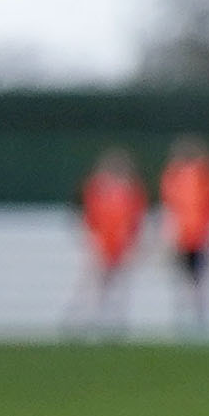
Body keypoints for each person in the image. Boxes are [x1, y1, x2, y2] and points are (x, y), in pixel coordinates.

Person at [73, 144, 148, 337]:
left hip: (121, 243)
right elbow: (88, 214)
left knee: (119, 285)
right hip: (101, 241)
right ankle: (85, 320)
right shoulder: (96, 188)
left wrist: (133, 241)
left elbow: (136, 218)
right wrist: (91, 238)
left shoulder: (132, 190)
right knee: (94, 284)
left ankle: (114, 321)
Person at [158, 137, 209, 326]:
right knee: (186, 277)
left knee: (202, 277)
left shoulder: (202, 174)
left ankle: (203, 315)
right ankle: (188, 315)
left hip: (200, 235)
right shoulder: (175, 176)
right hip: (183, 236)